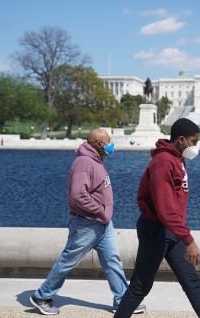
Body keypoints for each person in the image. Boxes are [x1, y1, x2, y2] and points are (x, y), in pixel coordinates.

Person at [29, 129, 145, 316]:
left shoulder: (95, 160)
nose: (111, 144)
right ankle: (42, 296)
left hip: (102, 224)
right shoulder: (84, 162)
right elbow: (77, 195)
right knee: (68, 261)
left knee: (112, 260)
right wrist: (99, 210)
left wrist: (104, 215)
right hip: (87, 224)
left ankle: (122, 299)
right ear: (99, 145)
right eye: (108, 141)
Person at [114, 118, 200, 318]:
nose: (196, 146)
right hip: (156, 231)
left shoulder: (177, 158)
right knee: (140, 286)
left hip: (172, 231)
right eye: (194, 141)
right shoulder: (163, 163)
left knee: (193, 283)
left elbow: (175, 203)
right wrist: (188, 239)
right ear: (181, 140)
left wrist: (181, 233)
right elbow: (165, 208)